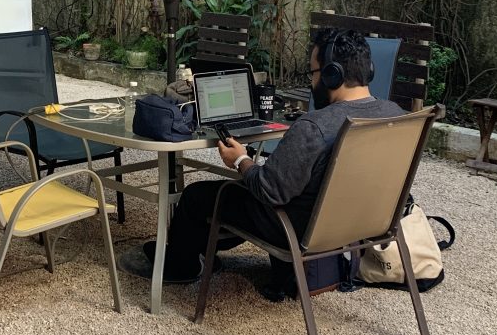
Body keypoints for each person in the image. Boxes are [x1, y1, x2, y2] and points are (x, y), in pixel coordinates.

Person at [143, 27, 404, 294]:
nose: (312, 82)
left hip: (295, 228)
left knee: (198, 195)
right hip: (358, 225)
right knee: (234, 194)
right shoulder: (396, 115)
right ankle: (197, 248)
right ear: (368, 70)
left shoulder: (314, 127)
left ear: (331, 74)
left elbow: (269, 191)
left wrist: (241, 159)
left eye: (313, 73)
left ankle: (179, 265)